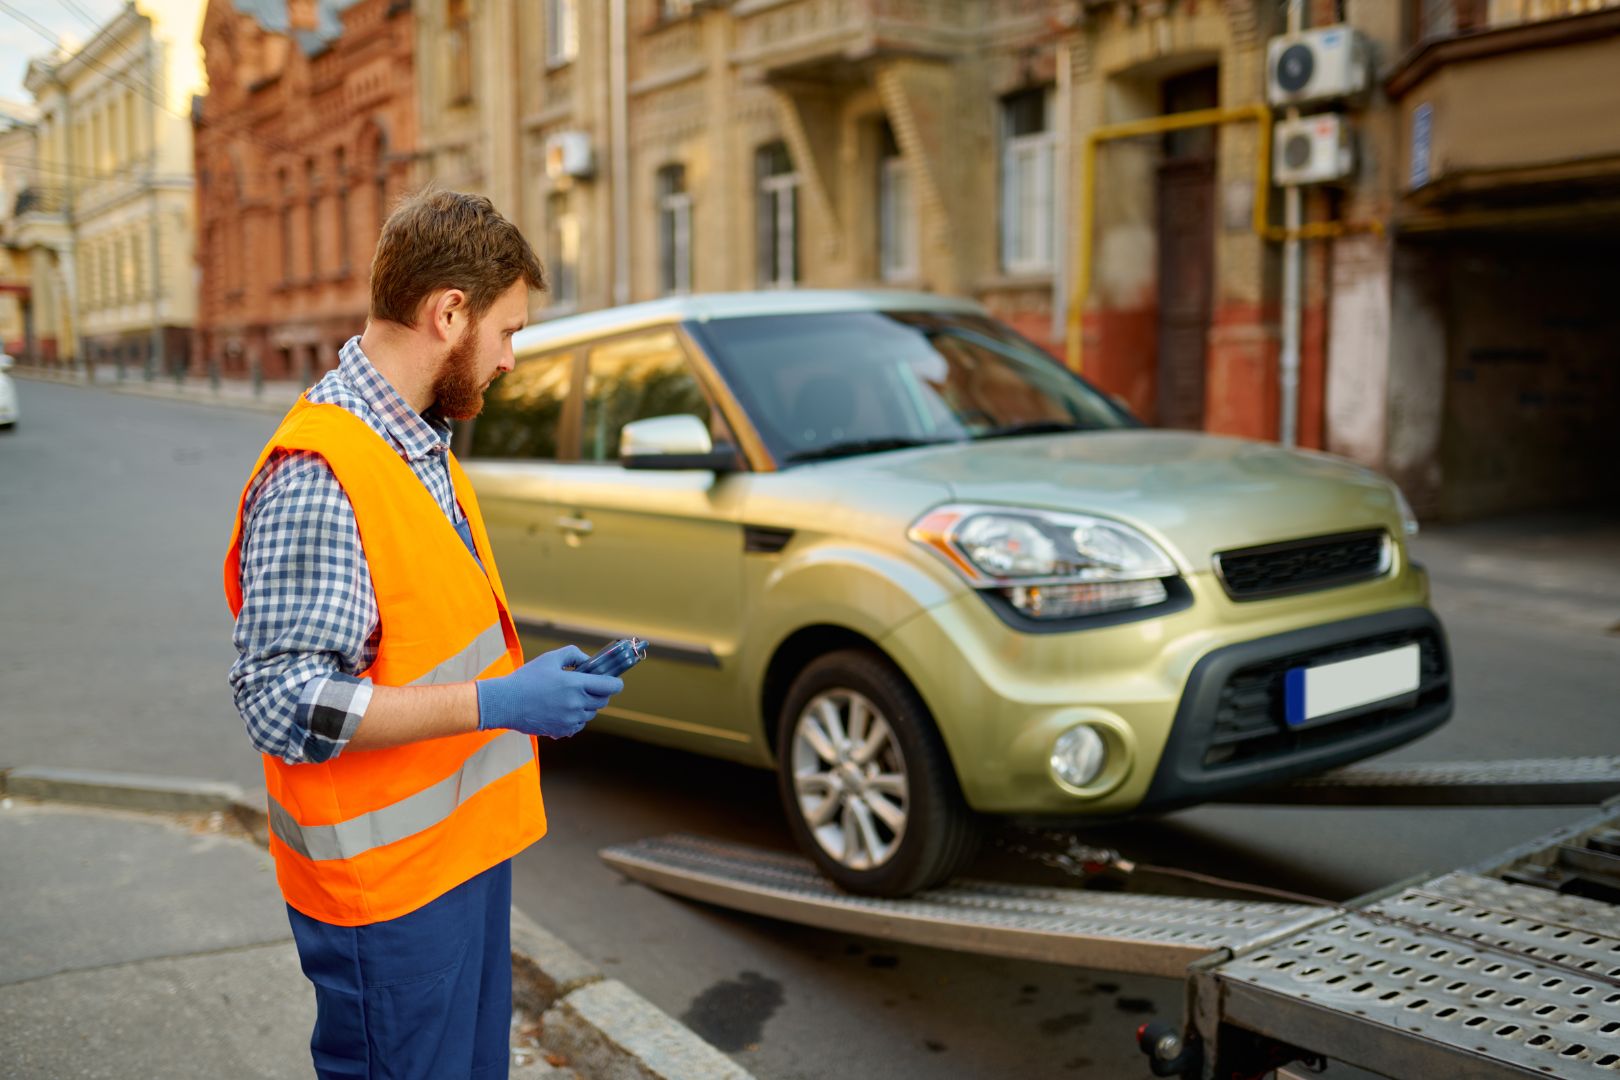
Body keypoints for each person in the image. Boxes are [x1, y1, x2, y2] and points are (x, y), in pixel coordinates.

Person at [224, 188, 623, 1080]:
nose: (512, 359)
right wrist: (499, 701)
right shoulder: (323, 472)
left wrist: (529, 692)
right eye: (509, 332)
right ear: (450, 313)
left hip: (458, 866)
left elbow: (430, 631)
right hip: (386, 900)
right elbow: (280, 702)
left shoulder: (418, 442)